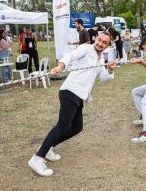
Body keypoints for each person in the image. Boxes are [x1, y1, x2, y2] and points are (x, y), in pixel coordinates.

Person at [28, 32, 116, 177]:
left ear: (108, 45)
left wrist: (110, 70)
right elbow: (70, 57)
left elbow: (104, 78)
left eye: (104, 42)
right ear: (95, 39)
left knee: (76, 127)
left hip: (79, 96)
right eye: (99, 40)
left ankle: (48, 147)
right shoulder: (86, 49)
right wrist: (60, 67)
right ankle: (37, 158)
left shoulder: (101, 59)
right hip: (70, 91)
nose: (100, 43)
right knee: (63, 126)